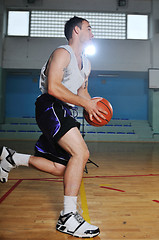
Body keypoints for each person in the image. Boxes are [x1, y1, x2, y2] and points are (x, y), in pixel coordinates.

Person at [0, 16, 106, 238]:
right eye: (89, 28)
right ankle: (67, 217)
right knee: (81, 152)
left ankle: (12, 158)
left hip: (65, 110)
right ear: (76, 31)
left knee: (62, 169)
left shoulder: (86, 63)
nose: (92, 33)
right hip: (50, 106)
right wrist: (84, 103)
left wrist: (92, 108)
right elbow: (54, 88)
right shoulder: (62, 53)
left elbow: (82, 92)